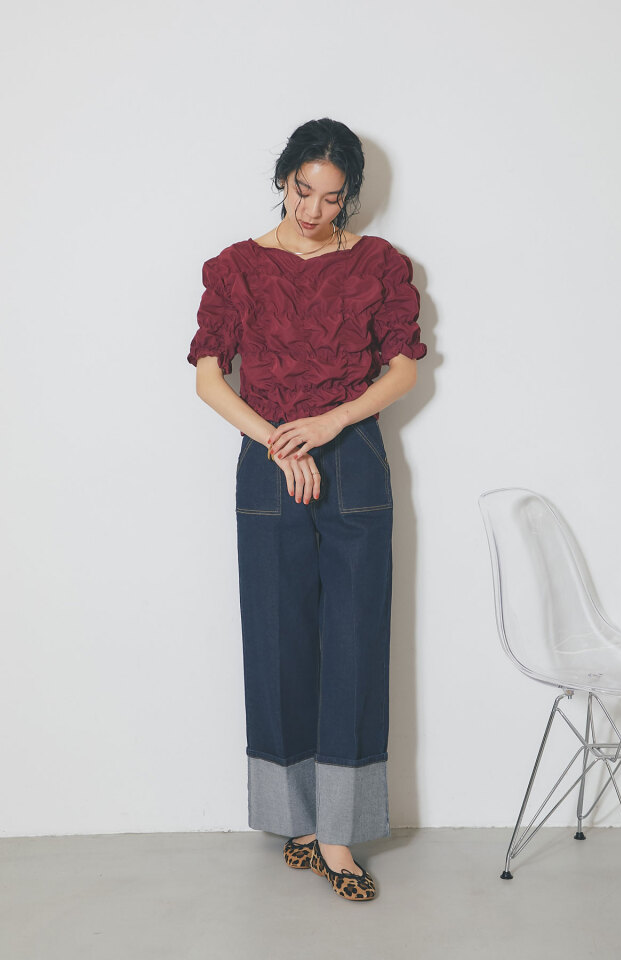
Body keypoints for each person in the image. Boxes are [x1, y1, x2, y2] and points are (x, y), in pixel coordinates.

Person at [187, 117, 427, 901]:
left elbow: (402, 370)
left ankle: (339, 834)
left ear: (349, 195)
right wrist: (277, 441)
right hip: (269, 462)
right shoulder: (236, 267)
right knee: (277, 638)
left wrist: (329, 423)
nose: (314, 211)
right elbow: (209, 377)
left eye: (331, 197)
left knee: (356, 639)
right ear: (283, 179)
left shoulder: (379, 264)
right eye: (302, 191)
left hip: (352, 457)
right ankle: (293, 820)